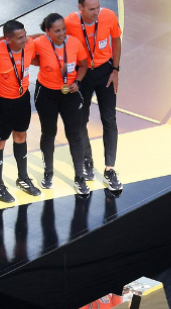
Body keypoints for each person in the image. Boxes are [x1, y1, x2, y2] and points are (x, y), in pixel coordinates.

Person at [65, 0, 122, 190]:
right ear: (79, 8)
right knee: (81, 119)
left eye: (98, 7)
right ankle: (87, 159)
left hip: (105, 72)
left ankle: (109, 169)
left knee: (109, 119)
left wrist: (115, 70)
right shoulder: (69, 22)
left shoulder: (108, 16)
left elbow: (116, 40)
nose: (97, 11)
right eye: (91, 9)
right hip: (83, 76)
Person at [32, 13, 90, 195]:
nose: (62, 33)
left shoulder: (74, 43)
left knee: (75, 134)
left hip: (70, 94)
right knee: (48, 133)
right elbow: (31, 58)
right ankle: (48, 172)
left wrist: (78, 82)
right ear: (48, 31)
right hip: (46, 94)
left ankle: (80, 176)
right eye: (57, 30)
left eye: (63, 29)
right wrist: (44, 64)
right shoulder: (40, 42)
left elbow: (84, 65)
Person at [0, 19, 40, 201]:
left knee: (21, 136)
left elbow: (42, 37)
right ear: (7, 39)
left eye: (25, 35)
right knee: (0, 142)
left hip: (22, 99)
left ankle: (23, 178)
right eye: (19, 38)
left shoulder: (30, 44)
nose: (25, 40)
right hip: (2, 103)